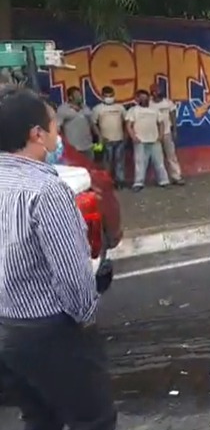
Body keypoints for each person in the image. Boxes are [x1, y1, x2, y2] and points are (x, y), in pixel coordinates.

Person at [0, 86, 117, 430]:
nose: (58, 135)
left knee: (39, 417)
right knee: (94, 420)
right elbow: (72, 276)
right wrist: (86, 318)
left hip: (6, 325)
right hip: (49, 328)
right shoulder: (47, 191)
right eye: (53, 126)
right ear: (36, 134)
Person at [125, 89, 170, 191]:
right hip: (140, 141)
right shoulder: (133, 110)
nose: (144, 99)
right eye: (141, 98)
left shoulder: (154, 109)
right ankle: (138, 183)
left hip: (154, 140)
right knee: (140, 162)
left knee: (159, 162)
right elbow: (128, 125)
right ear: (137, 99)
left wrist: (161, 135)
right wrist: (133, 137)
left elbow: (161, 123)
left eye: (146, 97)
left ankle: (164, 181)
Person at [91, 86, 127, 188]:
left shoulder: (120, 108)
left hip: (119, 139)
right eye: (106, 96)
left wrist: (125, 136)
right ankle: (108, 182)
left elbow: (126, 122)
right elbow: (93, 124)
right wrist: (99, 136)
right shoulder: (97, 109)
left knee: (119, 162)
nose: (109, 98)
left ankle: (120, 182)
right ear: (102, 96)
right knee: (107, 162)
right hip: (105, 140)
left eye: (111, 96)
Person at [149, 84, 185, 185]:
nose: (157, 93)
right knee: (158, 157)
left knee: (171, 155)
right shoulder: (149, 104)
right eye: (155, 91)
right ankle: (163, 179)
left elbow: (173, 116)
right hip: (153, 134)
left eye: (158, 91)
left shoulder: (168, 103)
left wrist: (175, 130)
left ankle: (176, 176)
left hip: (167, 132)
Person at [57, 86, 97, 160]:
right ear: (70, 97)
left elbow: (92, 123)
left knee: (90, 167)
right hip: (74, 148)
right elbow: (58, 128)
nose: (80, 97)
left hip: (88, 146)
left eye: (80, 95)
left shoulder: (85, 107)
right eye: (77, 95)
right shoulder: (63, 109)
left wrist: (98, 136)